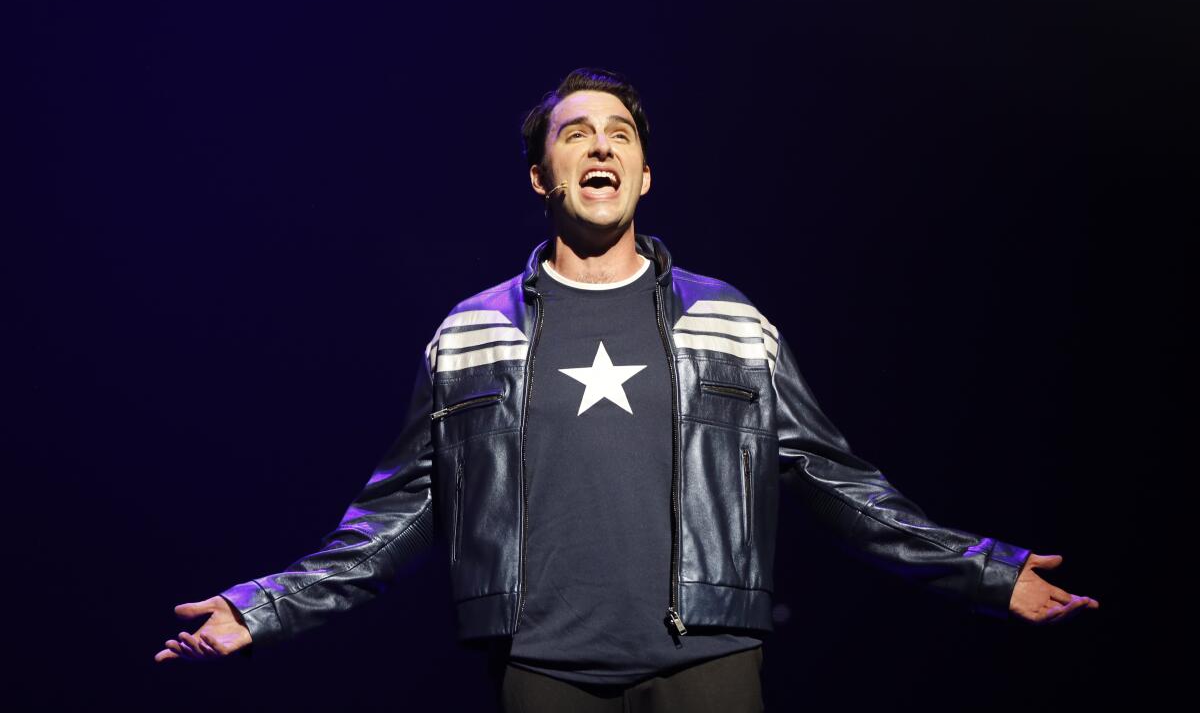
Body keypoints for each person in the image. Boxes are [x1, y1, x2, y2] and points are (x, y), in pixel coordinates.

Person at [155, 68, 1099, 711]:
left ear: (643, 173)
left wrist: (983, 569)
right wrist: (264, 605)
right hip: (541, 671)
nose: (598, 145)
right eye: (575, 133)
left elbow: (834, 479)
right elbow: (399, 511)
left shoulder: (729, 318)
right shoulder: (473, 331)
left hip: (711, 665)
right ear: (542, 174)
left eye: (619, 134)